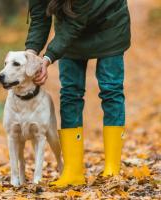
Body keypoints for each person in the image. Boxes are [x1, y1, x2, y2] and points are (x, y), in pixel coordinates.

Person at [25, 0, 131, 188]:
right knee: (70, 93)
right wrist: (30, 56)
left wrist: (48, 58)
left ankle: (112, 168)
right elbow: (40, 19)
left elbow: (76, 23)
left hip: (110, 23)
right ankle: (73, 171)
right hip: (71, 30)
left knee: (111, 90)